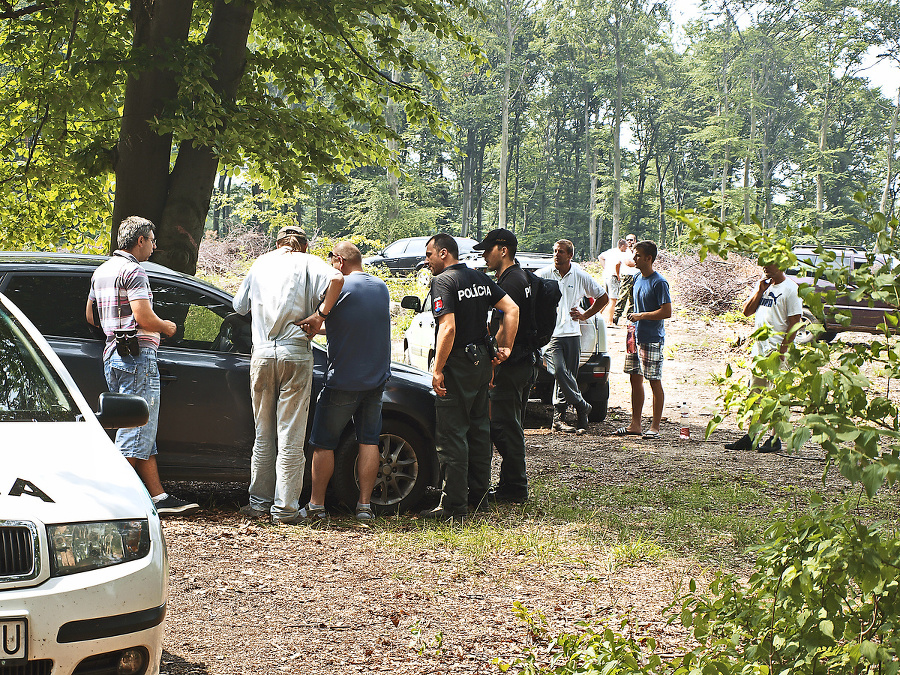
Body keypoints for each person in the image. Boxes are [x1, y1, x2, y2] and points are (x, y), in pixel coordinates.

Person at [86, 216, 199, 516]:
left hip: (113, 353)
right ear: (140, 241)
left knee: (135, 426)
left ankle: (159, 497)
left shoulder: (102, 271)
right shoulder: (133, 271)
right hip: (136, 355)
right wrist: (168, 327)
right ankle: (112, 502)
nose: (154, 245)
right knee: (136, 429)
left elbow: (90, 316)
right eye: (151, 240)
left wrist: (114, 324)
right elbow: (144, 317)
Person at [232, 225, 344, 525]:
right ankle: (284, 509)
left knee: (263, 433)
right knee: (291, 435)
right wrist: (320, 314)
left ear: (278, 243)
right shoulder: (309, 263)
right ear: (304, 246)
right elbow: (337, 277)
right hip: (295, 352)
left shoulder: (260, 263)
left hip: (263, 353)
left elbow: (238, 306)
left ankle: (258, 503)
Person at [421, 233, 519, 521]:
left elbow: (447, 328)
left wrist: (438, 369)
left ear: (443, 253)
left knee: (452, 434)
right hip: (481, 364)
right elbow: (512, 308)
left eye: (429, 255)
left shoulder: (444, 281)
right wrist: (506, 348)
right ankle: (479, 499)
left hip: (459, 364)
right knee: (479, 432)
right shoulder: (479, 278)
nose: (426, 262)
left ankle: (454, 506)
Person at [299, 242, 391, 521]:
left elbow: (323, 321)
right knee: (369, 441)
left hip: (343, 381)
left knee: (324, 442)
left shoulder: (339, 288)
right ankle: (364, 506)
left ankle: (316, 506)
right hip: (376, 380)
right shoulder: (381, 287)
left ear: (339, 260)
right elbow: (352, 323)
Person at [475, 228, 535, 504]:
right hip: (524, 361)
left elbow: (503, 327)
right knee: (512, 424)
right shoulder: (520, 277)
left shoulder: (510, 282)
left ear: (503, 250)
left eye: (488, 250)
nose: (485, 256)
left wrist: (493, 361)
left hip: (510, 364)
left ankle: (515, 488)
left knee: (503, 425)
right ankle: (513, 484)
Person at [724, 260, 802, 453]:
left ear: (782, 264)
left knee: (776, 395)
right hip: (760, 351)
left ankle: (775, 439)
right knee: (756, 394)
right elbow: (746, 311)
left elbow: (795, 323)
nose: (765, 267)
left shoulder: (791, 289)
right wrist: (759, 290)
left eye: (770, 263)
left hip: (778, 351)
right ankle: (752, 436)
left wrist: (782, 351)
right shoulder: (764, 286)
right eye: (763, 264)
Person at [537, 240, 607, 434]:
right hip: (552, 335)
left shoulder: (579, 275)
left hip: (573, 334)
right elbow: (528, 292)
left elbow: (603, 297)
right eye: (554, 251)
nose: (556, 254)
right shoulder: (543, 274)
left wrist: (585, 315)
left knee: (569, 377)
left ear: (570, 255)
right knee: (559, 371)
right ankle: (582, 405)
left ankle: (562, 420)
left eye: (560, 252)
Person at [615, 240, 672, 439]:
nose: (634, 258)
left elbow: (667, 311)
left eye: (638, 255)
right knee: (634, 378)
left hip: (652, 338)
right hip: (635, 336)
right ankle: (635, 424)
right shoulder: (637, 277)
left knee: (654, 380)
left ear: (648, 258)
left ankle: (655, 426)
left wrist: (642, 316)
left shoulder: (659, 282)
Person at [598, 239, 627, 326]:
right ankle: (610, 322)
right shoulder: (620, 253)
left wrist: (605, 267)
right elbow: (618, 264)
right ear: (621, 246)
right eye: (626, 247)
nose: (626, 248)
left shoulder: (610, 251)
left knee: (605, 299)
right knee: (613, 300)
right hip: (613, 277)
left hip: (606, 275)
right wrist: (618, 275)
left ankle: (596, 315)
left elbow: (600, 257)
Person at [614, 234, 639, 325]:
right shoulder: (625, 251)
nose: (629, 242)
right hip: (627, 276)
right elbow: (627, 263)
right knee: (622, 297)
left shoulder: (637, 250)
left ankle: (630, 318)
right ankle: (616, 317)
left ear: (635, 240)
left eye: (631, 240)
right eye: (628, 240)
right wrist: (618, 275)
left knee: (634, 298)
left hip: (636, 276)